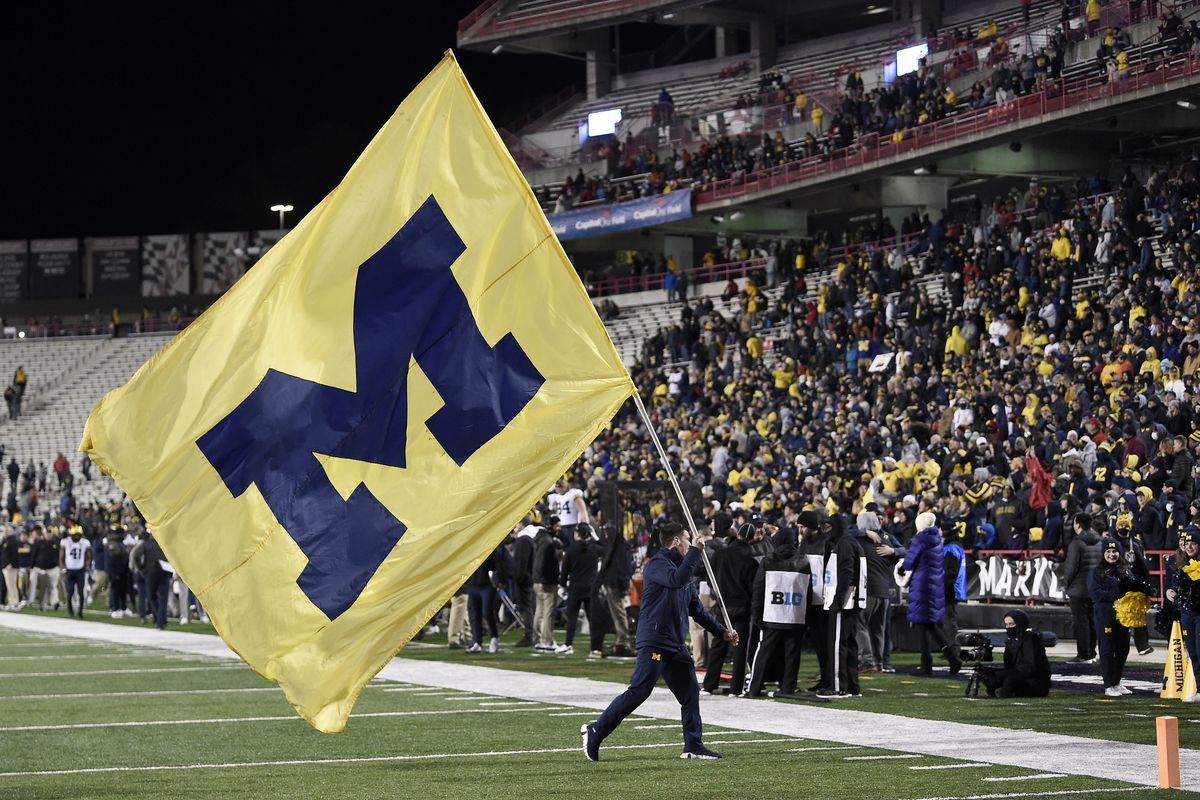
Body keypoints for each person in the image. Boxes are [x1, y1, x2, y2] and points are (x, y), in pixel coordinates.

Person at [582, 522, 733, 761]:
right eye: (686, 539)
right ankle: (596, 730)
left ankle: (693, 744)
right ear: (676, 541)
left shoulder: (682, 567)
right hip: (655, 641)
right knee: (640, 691)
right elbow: (675, 580)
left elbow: (696, 609)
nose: (690, 542)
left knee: (690, 692)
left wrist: (722, 631)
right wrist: (694, 552)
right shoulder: (657, 565)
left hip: (674, 643)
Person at [746, 527, 809, 696]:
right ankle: (787, 689)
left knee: (763, 654)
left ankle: (754, 688)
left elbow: (758, 589)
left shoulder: (768, 560)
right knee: (792, 656)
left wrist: (756, 615)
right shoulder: (804, 561)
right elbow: (808, 592)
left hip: (771, 615)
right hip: (795, 615)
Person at [901, 512, 962, 676]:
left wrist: (901, 567)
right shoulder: (937, 539)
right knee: (930, 625)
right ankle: (946, 660)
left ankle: (932, 663)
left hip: (922, 584)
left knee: (925, 626)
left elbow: (909, 563)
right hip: (934, 584)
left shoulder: (920, 539)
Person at [702, 522, 757, 695]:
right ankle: (736, 688)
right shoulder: (750, 559)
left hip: (722, 606)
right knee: (739, 650)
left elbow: (710, 580)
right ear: (752, 538)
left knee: (718, 646)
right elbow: (752, 587)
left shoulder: (720, 554)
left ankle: (709, 685)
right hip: (741, 608)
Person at [1089, 536, 1149, 696]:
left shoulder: (1125, 570)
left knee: (1123, 649)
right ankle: (1108, 685)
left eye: (1114, 551)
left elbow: (1131, 589)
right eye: (1108, 551)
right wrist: (1117, 595)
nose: (1111, 554)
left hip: (1123, 616)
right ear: (1103, 553)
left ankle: (1116, 682)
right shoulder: (1096, 571)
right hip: (1105, 615)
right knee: (1107, 649)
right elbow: (1095, 594)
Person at [819, 514, 867, 698]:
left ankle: (839, 687)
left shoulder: (845, 544)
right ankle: (852, 686)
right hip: (851, 601)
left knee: (838, 644)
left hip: (844, 602)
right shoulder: (849, 541)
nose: (826, 531)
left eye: (829, 527)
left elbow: (846, 573)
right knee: (849, 644)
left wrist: (838, 601)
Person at [978, 610, 1052, 697]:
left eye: (1012, 624)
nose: (1008, 627)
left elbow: (1031, 667)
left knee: (1009, 676)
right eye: (1006, 625)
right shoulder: (1010, 642)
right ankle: (998, 689)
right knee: (987, 672)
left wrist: (1008, 673)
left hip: (1034, 680)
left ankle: (1008, 691)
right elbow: (1009, 665)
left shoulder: (1030, 640)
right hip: (1018, 675)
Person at [1060, 512, 1101, 663]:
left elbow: (1071, 568)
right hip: (1094, 587)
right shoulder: (1100, 541)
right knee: (1091, 620)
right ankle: (1091, 652)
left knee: (1081, 621)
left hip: (1078, 588)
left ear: (1078, 524)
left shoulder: (1077, 542)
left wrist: (1065, 585)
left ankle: (1083, 654)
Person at [1165, 528, 1200, 702]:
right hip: (1187, 613)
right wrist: (1169, 592)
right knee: (1193, 653)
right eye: (1187, 544)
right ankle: (1199, 690)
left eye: (1193, 543)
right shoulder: (1179, 564)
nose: (1190, 546)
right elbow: (1172, 585)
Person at [557, 523, 601, 656]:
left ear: (577, 534)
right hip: (590, 588)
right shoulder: (594, 548)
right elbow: (606, 549)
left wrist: (562, 585)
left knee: (572, 618)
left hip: (575, 587)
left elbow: (564, 571)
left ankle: (568, 644)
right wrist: (596, 537)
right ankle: (595, 648)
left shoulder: (571, 550)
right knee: (592, 619)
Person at [597, 523, 634, 656]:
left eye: (607, 532)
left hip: (616, 583)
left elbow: (619, 566)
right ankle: (621, 638)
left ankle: (623, 639)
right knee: (619, 611)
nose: (605, 535)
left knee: (618, 612)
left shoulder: (616, 547)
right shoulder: (622, 545)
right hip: (620, 581)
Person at [532, 516, 563, 652]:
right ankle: (547, 640)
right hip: (545, 582)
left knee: (540, 611)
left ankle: (538, 638)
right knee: (548, 613)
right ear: (550, 526)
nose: (559, 528)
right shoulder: (547, 542)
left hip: (538, 581)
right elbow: (542, 563)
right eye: (557, 526)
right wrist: (544, 580)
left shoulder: (541, 539)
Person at [510, 517, 538, 648]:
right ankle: (532, 635)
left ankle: (529, 636)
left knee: (526, 608)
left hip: (525, 579)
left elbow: (521, 563)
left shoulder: (523, 540)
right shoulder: (531, 537)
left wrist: (518, 578)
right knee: (529, 607)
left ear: (521, 523)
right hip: (530, 577)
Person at [60, 525, 91, 619]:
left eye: (78, 535)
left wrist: (87, 565)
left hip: (80, 570)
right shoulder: (65, 542)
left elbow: (89, 555)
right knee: (70, 592)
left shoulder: (85, 542)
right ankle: (70, 609)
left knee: (81, 592)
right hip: (69, 570)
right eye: (75, 535)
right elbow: (61, 557)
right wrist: (63, 568)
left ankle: (80, 611)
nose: (76, 537)